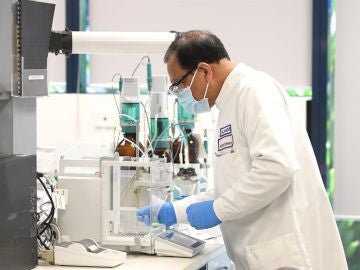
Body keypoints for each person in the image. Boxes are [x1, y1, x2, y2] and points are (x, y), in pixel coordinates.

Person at [137, 30, 348, 270]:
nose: (179, 95)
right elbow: (233, 186)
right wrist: (174, 210)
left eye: (179, 85)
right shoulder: (229, 103)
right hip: (265, 256)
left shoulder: (254, 91)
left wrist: (217, 210)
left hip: (286, 256)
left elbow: (278, 168)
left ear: (204, 71)